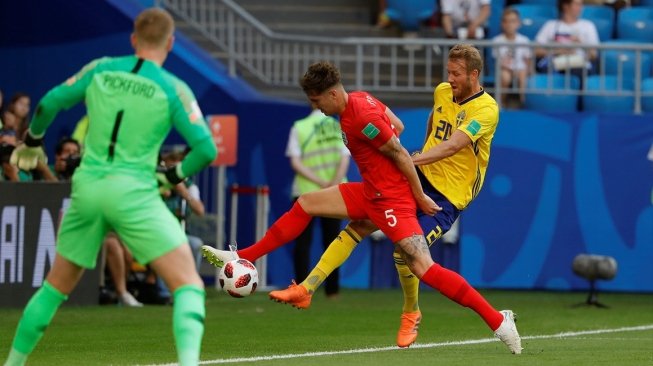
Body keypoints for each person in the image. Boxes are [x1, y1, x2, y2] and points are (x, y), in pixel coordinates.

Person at [203, 54, 522, 354]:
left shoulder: (364, 115)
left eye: (316, 101)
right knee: (307, 204)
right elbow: (400, 125)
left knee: (419, 264)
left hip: (415, 199)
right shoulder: (368, 99)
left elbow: (407, 148)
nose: (315, 107)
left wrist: (418, 187)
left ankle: (493, 320)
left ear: (330, 95)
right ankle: (251, 261)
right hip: (380, 191)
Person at [3, 8, 217, 366]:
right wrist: (171, 176)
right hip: (133, 193)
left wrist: (32, 142)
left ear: (133, 40)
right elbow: (206, 149)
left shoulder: (101, 68)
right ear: (171, 43)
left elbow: (48, 103)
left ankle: (11, 363)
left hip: (87, 190)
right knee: (189, 286)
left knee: (54, 289)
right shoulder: (173, 88)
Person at [286, 107, 350, 298]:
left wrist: (319, 181)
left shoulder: (300, 127)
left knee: (302, 243)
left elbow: (295, 162)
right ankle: (333, 291)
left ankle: (301, 289)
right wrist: (333, 183)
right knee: (334, 242)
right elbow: (345, 157)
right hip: (335, 193)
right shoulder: (337, 126)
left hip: (306, 192)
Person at [534, 0, 599, 75]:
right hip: (555, 62)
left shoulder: (588, 26)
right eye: (577, 5)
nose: (581, 8)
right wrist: (558, 51)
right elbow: (536, 50)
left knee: (578, 72)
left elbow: (594, 54)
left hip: (578, 64)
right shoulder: (550, 25)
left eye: (581, 5)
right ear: (566, 6)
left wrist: (580, 44)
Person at [491, 8, 533, 107]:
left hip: (521, 69)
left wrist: (530, 71)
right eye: (506, 21)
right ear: (502, 24)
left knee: (523, 74)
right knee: (505, 76)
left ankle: (524, 103)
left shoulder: (524, 40)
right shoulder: (497, 41)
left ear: (518, 23)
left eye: (513, 21)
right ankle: (501, 103)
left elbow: (528, 60)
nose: (510, 24)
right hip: (504, 69)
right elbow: (497, 61)